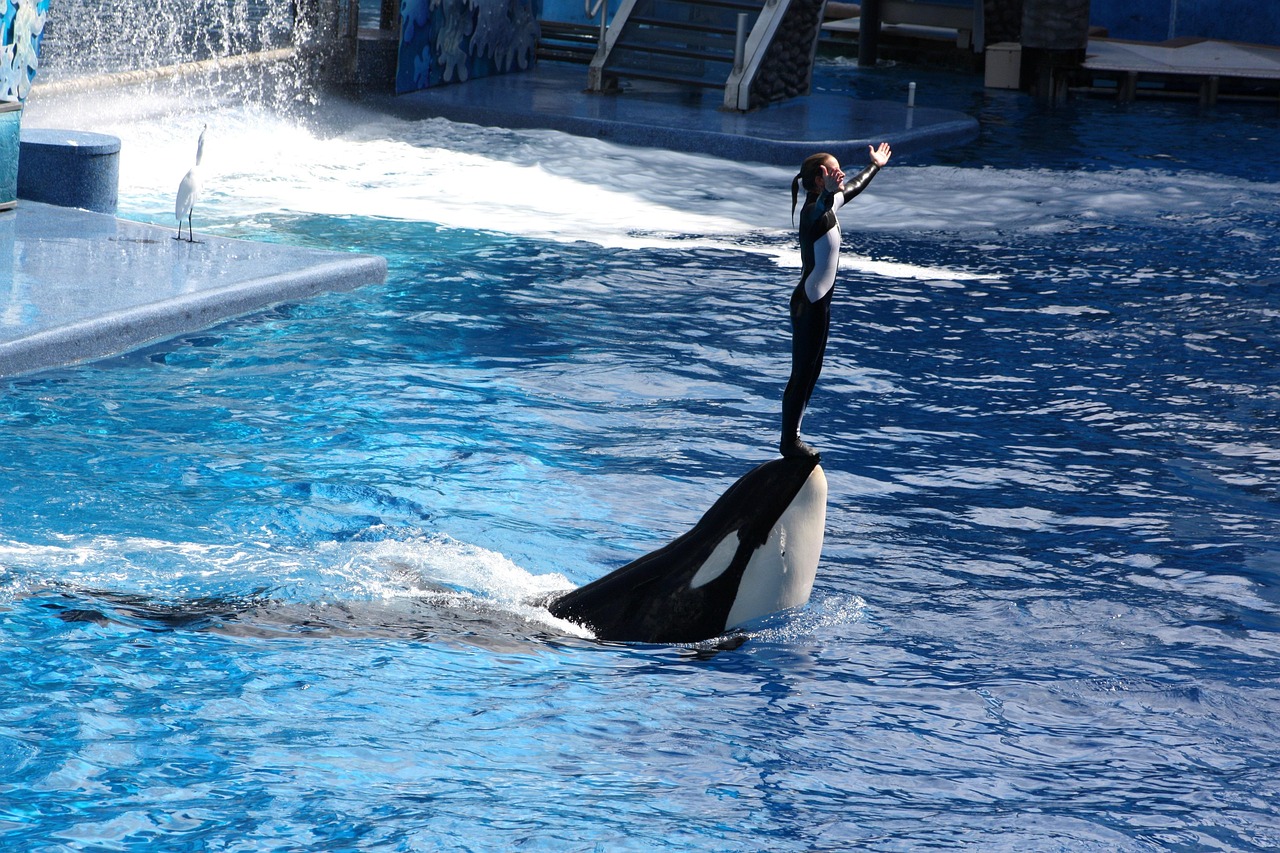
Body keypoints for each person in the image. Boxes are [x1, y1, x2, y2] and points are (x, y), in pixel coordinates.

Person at [780, 143, 892, 459]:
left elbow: (854, 186)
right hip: (809, 304)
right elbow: (820, 208)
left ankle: (795, 435)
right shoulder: (812, 211)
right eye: (834, 171)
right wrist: (827, 195)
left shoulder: (830, 205)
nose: (841, 174)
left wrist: (875, 166)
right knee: (802, 373)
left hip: (820, 305)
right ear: (820, 179)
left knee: (813, 371)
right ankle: (788, 441)